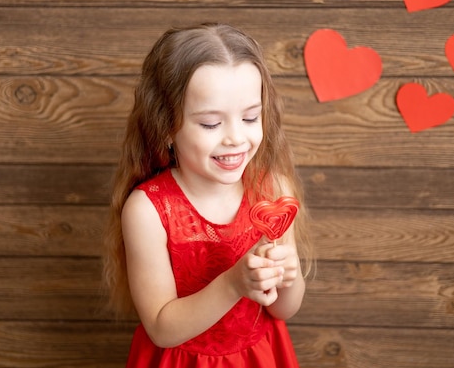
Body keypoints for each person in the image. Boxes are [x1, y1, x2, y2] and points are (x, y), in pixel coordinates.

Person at [103, 22, 313, 367]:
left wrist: (288, 278)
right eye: (211, 124)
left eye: (249, 117)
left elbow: (283, 309)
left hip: (259, 357)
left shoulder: (273, 190)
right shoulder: (148, 210)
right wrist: (233, 284)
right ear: (167, 126)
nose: (235, 138)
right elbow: (161, 328)